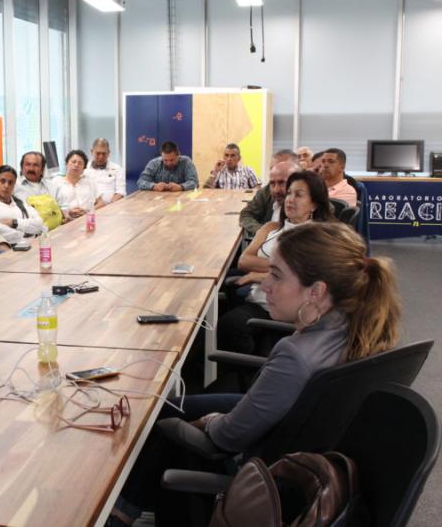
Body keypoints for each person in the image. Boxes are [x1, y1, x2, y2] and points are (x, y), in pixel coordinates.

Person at [118, 222, 401, 524]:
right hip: (306, 451)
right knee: (170, 407)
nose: (265, 285)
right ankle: (125, 510)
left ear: (317, 291)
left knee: (163, 420)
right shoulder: (359, 325)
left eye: (276, 275)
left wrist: (211, 420)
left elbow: (229, 436)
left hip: (262, 472)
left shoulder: (295, 356)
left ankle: (121, 512)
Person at [219, 171, 333, 356]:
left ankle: (247, 371)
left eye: (298, 195)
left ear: (314, 204)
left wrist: (259, 274)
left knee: (230, 326)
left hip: (283, 309)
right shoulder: (270, 228)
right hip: (257, 298)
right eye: (289, 193)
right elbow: (244, 261)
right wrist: (286, 269)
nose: (290, 199)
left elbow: (308, 275)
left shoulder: (318, 236)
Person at [0, 165, 47, 245]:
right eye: (2, 181)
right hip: (7, 249)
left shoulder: (21, 203)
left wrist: (14, 223)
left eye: (10, 182)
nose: (6, 186)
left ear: (14, 184)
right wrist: (28, 234)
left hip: (31, 246)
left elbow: (40, 225)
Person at [238, 161, 300, 235]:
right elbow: (246, 214)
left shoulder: (306, 210)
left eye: (282, 183)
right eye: (272, 183)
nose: (276, 190)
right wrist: (262, 232)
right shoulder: (267, 193)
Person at [52, 149, 105, 220]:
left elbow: (101, 203)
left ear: (84, 168)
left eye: (80, 163)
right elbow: (50, 208)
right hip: (66, 221)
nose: (76, 165)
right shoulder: (56, 183)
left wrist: (88, 212)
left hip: (88, 219)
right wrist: (67, 212)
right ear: (66, 164)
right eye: (73, 162)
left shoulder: (89, 182)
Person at [85, 138, 126, 203]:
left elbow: (120, 191)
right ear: (91, 151)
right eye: (98, 153)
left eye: (104, 154)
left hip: (111, 206)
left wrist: (111, 205)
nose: (101, 157)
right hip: (89, 205)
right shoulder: (84, 168)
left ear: (109, 153)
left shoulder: (117, 168)